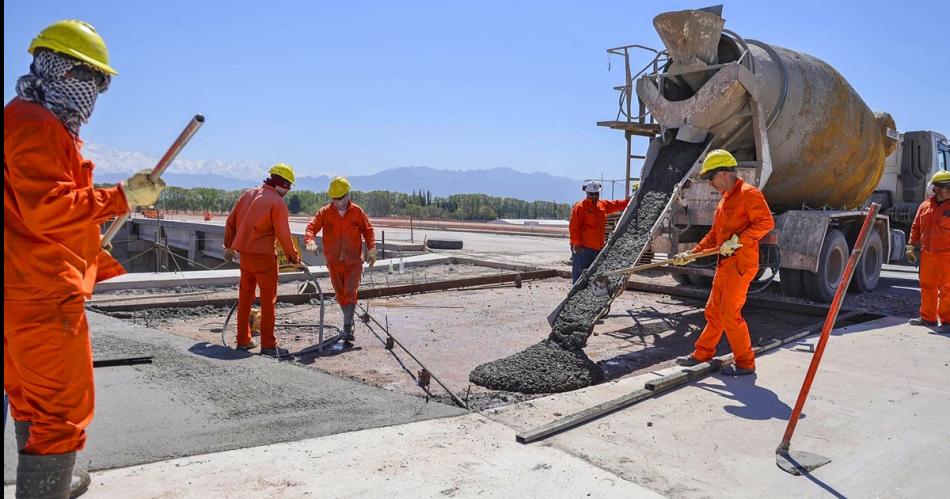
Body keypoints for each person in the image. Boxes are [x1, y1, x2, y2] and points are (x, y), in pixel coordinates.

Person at [4, 20, 165, 497]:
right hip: (40, 292)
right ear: (58, 70)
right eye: (89, 77)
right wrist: (121, 197)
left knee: (29, 397)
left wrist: (89, 244)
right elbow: (47, 207)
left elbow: (24, 211)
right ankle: (45, 489)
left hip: (20, 283)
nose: (94, 90)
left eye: (99, 82)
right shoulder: (36, 124)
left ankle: (47, 482)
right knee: (60, 408)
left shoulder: (26, 118)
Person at [673, 149, 775, 375]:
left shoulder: (749, 194)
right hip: (725, 264)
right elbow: (714, 235)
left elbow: (766, 222)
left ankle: (745, 363)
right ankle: (702, 353)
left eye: (710, 178)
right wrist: (691, 254)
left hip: (741, 264)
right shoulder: (724, 201)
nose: (710, 184)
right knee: (714, 311)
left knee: (729, 314)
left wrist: (739, 240)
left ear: (723, 174)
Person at [224, 163, 302, 356]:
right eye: (288, 187)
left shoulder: (248, 194)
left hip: (245, 257)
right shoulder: (277, 202)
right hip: (265, 258)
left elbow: (230, 222)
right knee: (268, 301)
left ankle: (243, 340)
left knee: (245, 298)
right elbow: (284, 235)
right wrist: (294, 258)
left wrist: (229, 246)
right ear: (283, 184)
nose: (288, 191)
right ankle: (268, 345)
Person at [304, 177, 377, 343]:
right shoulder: (324, 213)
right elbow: (311, 227)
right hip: (334, 261)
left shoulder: (357, 212)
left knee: (350, 292)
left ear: (347, 194)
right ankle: (349, 321)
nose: (337, 202)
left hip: (353, 261)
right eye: (334, 199)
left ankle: (347, 328)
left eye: (340, 198)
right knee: (340, 295)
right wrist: (309, 240)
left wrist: (372, 248)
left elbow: (368, 230)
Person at [905, 170, 950, 332]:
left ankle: (947, 321)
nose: (948, 190)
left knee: (947, 288)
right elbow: (916, 227)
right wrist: (910, 246)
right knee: (927, 286)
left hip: (947, 255)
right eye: (945, 187)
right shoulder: (925, 206)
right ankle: (927, 318)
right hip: (928, 254)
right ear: (935, 188)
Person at [569, 180, 631, 283]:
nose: (594, 197)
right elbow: (573, 227)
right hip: (582, 249)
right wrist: (576, 244)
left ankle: (588, 293)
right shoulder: (580, 207)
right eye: (591, 194)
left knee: (593, 275)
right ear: (587, 193)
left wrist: (629, 201)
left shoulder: (602, 205)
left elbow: (616, 205)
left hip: (596, 248)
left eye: (596, 194)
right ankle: (576, 292)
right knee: (580, 274)